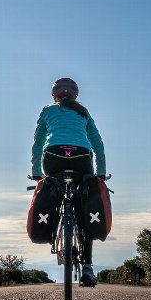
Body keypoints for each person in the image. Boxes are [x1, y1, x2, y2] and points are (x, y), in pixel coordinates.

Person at [30, 77, 107, 287]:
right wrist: (101, 174)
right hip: (81, 158)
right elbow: (98, 144)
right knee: (85, 205)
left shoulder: (47, 111)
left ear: (54, 95)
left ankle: (57, 222)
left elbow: (38, 143)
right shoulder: (83, 112)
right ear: (75, 95)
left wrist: (37, 171)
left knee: (53, 190)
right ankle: (88, 268)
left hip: (53, 158)